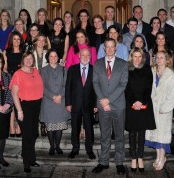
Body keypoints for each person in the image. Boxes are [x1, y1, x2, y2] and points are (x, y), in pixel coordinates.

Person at [92, 38, 129, 175]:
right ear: (103, 49)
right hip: (103, 106)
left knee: (119, 135)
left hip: (118, 105)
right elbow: (95, 83)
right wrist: (103, 101)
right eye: (106, 47)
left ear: (116, 48)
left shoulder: (123, 64)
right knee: (105, 135)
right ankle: (103, 161)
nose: (109, 49)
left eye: (112, 47)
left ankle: (119, 162)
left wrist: (109, 100)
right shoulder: (97, 64)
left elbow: (123, 84)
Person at [10, 51, 44, 173]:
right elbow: (14, 93)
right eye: (26, 59)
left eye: (31, 58)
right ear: (23, 60)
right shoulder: (18, 74)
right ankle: (26, 162)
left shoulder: (35, 71)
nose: (29, 61)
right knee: (27, 135)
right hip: (24, 106)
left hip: (36, 106)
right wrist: (19, 111)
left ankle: (31, 158)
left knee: (34, 133)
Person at [145, 51, 174, 171]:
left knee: (163, 135)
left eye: (161, 58)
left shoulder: (172, 75)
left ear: (167, 59)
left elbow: (173, 95)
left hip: (164, 111)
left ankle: (162, 157)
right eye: (157, 57)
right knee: (156, 134)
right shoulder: (152, 71)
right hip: (152, 108)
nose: (159, 60)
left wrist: (164, 108)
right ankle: (158, 156)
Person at [125, 48, 156, 173]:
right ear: (131, 57)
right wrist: (134, 101)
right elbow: (126, 88)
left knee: (142, 133)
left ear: (142, 57)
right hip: (131, 104)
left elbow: (149, 87)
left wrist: (141, 101)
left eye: (139, 56)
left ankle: (140, 157)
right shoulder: (127, 69)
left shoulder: (147, 69)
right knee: (132, 133)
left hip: (144, 104)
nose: (137, 59)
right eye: (135, 56)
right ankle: (133, 158)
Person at [65, 48, 97, 160]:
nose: (85, 57)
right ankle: (75, 149)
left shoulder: (94, 69)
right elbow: (68, 87)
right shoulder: (72, 69)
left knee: (89, 128)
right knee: (75, 128)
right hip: (75, 104)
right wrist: (68, 103)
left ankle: (90, 150)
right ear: (79, 56)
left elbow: (97, 88)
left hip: (89, 104)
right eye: (83, 55)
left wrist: (96, 104)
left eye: (88, 55)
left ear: (90, 57)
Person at [40, 49, 70, 155]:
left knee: (59, 127)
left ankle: (57, 146)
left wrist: (60, 95)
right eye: (51, 56)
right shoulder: (43, 70)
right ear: (48, 58)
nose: (53, 58)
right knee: (51, 127)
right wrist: (52, 96)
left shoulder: (64, 69)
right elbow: (42, 87)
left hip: (61, 101)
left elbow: (66, 85)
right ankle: (52, 146)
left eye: (55, 56)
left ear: (58, 58)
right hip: (48, 101)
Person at [3, 31, 25, 137]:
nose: (16, 41)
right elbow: (5, 67)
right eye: (14, 39)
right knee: (11, 104)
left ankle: (19, 126)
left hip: (22, 80)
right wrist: (9, 78)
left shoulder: (24, 52)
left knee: (20, 103)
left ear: (21, 41)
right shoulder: (6, 52)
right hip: (10, 79)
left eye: (18, 39)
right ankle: (12, 126)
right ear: (11, 40)